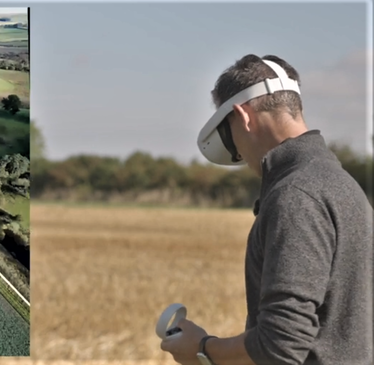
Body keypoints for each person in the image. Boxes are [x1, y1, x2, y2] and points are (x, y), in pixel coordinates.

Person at [160, 54, 373, 365]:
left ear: (243, 116)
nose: (236, 153)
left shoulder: (297, 195)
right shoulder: (343, 184)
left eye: (227, 134)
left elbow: (281, 343)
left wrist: (203, 350)